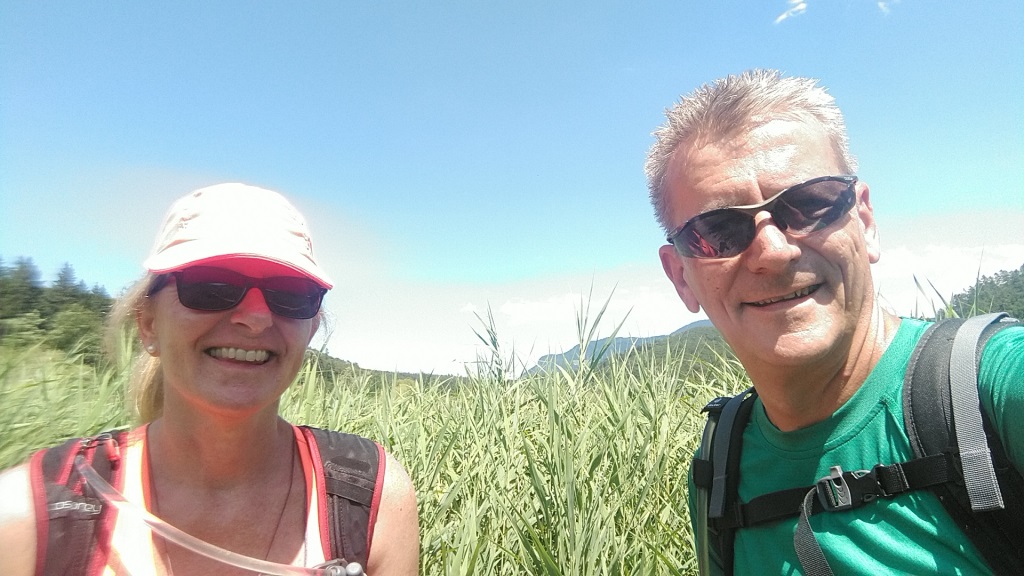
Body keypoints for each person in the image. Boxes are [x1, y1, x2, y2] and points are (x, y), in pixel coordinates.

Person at [646, 69, 1024, 574]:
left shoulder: (992, 389)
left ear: (864, 222)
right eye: (719, 231)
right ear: (681, 277)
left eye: (809, 205)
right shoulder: (720, 465)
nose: (773, 252)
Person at [0, 183, 420, 575]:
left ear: (310, 330)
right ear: (148, 324)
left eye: (291, 293)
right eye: (211, 286)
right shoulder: (27, 519)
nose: (256, 318)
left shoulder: (372, 499)